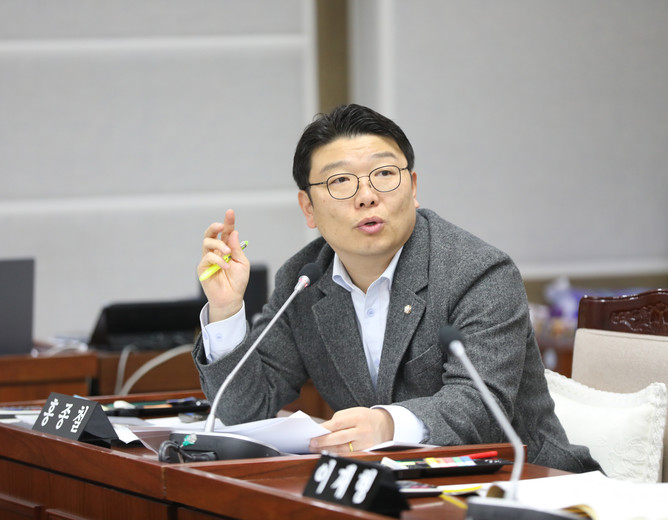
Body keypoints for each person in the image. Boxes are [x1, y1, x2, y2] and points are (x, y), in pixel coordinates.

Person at [193, 104, 600, 473]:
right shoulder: (303, 281)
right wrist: (226, 310)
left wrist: (387, 425)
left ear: (413, 187)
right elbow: (243, 409)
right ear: (308, 208)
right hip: (394, 486)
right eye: (340, 181)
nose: (367, 196)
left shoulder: (478, 272)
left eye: (384, 174)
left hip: (524, 480)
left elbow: (481, 405)